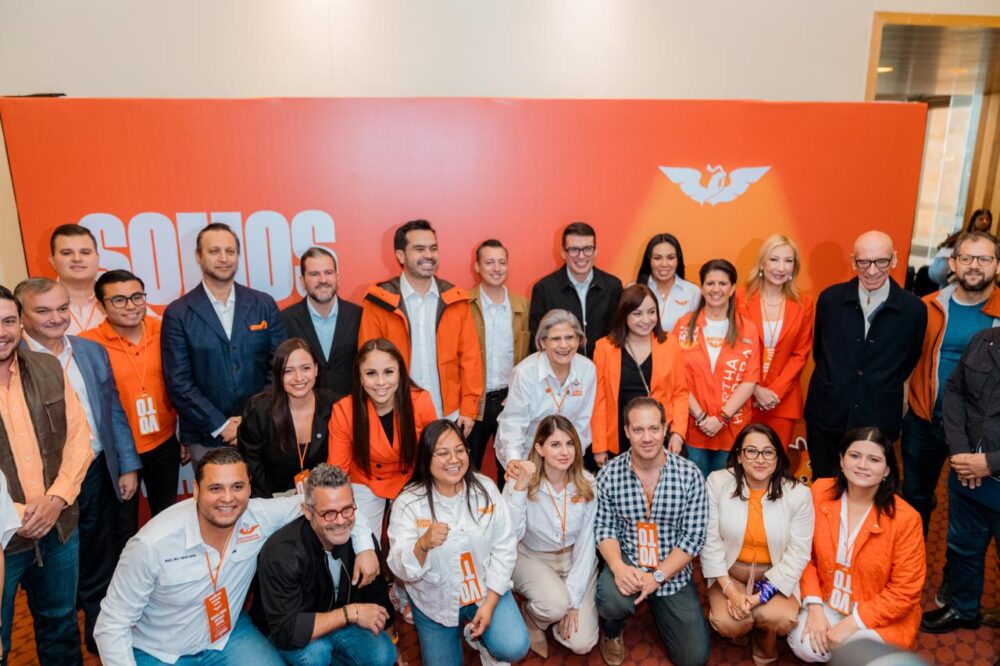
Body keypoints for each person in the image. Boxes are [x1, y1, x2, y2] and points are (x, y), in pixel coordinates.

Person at [94, 448, 379, 665]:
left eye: (237, 487)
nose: (228, 498)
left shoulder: (257, 515)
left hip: (226, 637)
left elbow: (333, 506)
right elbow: (111, 625)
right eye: (215, 488)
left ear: (249, 488)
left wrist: (365, 545)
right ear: (196, 491)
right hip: (160, 651)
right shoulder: (151, 544)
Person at [16, 277, 142, 653]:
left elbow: (112, 411)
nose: (56, 318)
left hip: (97, 470)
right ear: (21, 316)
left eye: (62, 308)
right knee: (54, 572)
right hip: (46, 486)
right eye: (43, 311)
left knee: (100, 554)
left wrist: (127, 465)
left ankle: (98, 631)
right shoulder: (14, 361)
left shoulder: (90, 351)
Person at [0, 285, 93, 665]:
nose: (2, 332)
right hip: (3, 536)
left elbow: (79, 439)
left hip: (58, 526)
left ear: (20, 323)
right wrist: (17, 513)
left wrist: (57, 499)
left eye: (8, 321)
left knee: (61, 625)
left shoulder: (48, 367)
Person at [387, 420, 530, 666]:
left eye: (459, 450)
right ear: (426, 457)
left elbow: (505, 546)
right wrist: (421, 545)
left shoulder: (485, 488)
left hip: (482, 590)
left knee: (514, 646)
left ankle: (482, 640)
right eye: (442, 453)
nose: (453, 459)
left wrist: (490, 605)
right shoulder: (408, 503)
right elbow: (400, 568)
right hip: (435, 602)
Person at [787, 428, 925, 661]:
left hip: (876, 613)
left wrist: (852, 623)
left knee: (856, 655)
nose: (862, 465)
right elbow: (803, 555)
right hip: (828, 600)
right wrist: (815, 607)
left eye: (874, 459)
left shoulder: (906, 518)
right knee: (806, 647)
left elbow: (905, 591)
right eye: (854, 456)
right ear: (842, 460)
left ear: (887, 470)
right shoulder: (820, 491)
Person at [594, 396, 710, 666]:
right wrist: (618, 568)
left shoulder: (690, 475)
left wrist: (657, 576)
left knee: (693, 659)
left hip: (671, 570)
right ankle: (612, 630)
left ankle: (660, 603)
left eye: (654, 429)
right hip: (629, 561)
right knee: (611, 600)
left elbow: (693, 538)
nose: (647, 438)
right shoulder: (608, 475)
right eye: (638, 430)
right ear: (626, 431)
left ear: (665, 429)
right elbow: (604, 528)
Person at [804, 231, 927, 479]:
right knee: (823, 486)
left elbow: (908, 361)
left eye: (881, 261)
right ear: (853, 261)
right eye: (863, 262)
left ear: (894, 259)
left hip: (877, 417)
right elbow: (821, 352)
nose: (872, 271)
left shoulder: (913, 309)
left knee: (867, 490)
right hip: (827, 413)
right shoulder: (830, 299)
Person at [162, 222, 288, 462]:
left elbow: (279, 367)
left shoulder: (263, 304)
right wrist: (222, 426)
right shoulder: (178, 313)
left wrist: (249, 420)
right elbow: (178, 382)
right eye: (214, 251)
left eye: (230, 251)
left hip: (262, 430)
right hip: (207, 436)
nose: (223, 258)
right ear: (198, 256)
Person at [902, 230, 1000, 533]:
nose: (974, 265)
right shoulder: (928, 306)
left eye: (984, 259)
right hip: (924, 421)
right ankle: (912, 558)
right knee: (914, 499)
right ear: (953, 263)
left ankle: (955, 564)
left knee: (971, 509)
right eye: (966, 258)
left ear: (997, 265)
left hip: (979, 432)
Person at [250, 464, 397, 666]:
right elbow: (288, 631)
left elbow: (378, 600)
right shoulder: (282, 552)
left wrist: (393, 642)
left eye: (347, 509)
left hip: (343, 623)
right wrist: (351, 613)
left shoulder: (362, 544)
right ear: (308, 512)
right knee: (315, 655)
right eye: (329, 513)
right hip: (293, 630)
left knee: (384, 654)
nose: (341, 521)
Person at [701, 423, 814, 665]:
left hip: (774, 577)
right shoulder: (717, 482)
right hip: (730, 573)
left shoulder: (798, 494)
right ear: (739, 456)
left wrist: (757, 598)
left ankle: (765, 642)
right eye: (751, 451)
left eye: (768, 452)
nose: (760, 459)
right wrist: (731, 592)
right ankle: (741, 632)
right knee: (728, 622)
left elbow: (799, 553)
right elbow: (710, 542)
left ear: (778, 457)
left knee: (779, 618)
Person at [359, 219, 483, 434]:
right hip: (397, 413)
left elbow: (470, 359)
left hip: (450, 414)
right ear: (400, 255)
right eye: (419, 249)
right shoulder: (379, 301)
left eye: (433, 248)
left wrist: (469, 408)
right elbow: (367, 363)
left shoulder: (456, 299)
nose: (429, 255)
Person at [81, 270, 180, 533]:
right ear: (100, 306)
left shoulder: (165, 330)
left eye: (137, 297)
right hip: (117, 451)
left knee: (167, 519)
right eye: (119, 300)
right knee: (122, 526)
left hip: (164, 442)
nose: (131, 306)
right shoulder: (87, 344)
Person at [920, 325, 1000, 633]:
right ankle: (963, 609)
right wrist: (961, 452)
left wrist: (990, 463)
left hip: (990, 471)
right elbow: (954, 391)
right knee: (963, 547)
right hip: (967, 475)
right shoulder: (983, 340)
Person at [502, 415, 599, 657]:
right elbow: (509, 535)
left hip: (574, 559)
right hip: (531, 556)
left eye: (570, 443)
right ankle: (533, 616)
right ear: (539, 448)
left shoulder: (587, 482)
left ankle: (556, 608)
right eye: (555, 444)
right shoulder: (520, 480)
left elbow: (586, 544)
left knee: (582, 643)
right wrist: (520, 489)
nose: (565, 452)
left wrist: (573, 602)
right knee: (554, 605)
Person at [328, 338, 438, 535]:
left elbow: (434, 454)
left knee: (419, 539)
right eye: (371, 373)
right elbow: (338, 469)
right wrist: (337, 508)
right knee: (362, 539)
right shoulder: (343, 410)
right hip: (365, 479)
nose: (380, 382)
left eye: (388, 372)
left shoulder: (421, 401)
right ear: (360, 376)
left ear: (400, 373)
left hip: (411, 478)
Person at [674, 259, 760, 479]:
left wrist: (722, 418)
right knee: (694, 490)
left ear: (732, 289)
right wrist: (701, 417)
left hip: (732, 430)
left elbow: (750, 380)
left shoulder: (747, 329)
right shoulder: (683, 326)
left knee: (727, 491)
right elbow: (676, 377)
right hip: (693, 429)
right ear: (701, 288)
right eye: (710, 283)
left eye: (722, 283)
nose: (716, 289)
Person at [592, 284, 688, 465]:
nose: (646, 320)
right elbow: (599, 401)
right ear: (624, 315)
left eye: (651, 312)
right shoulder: (604, 347)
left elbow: (680, 393)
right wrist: (599, 446)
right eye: (637, 313)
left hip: (659, 434)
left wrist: (678, 434)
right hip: (620, 436)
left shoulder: (670, 344)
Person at [495, 309, 597, 478]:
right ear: (543, 342)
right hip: (526, 453)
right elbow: (514, 421)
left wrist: (569, 458)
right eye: (556, 339)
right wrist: (515, 460)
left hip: (564, 457)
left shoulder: (587, 370)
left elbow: (582, 422)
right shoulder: (525, 372)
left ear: (579, 339)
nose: (564, 345)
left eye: (570, 337)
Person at [737, 235, 814, 448]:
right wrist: (755, 389)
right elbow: (733, 350)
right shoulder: (740, 298)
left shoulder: (804, 303)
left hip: (782, 402)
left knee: (775, 461)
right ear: (762, 263)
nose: (781, 267)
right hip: (743, 399)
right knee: (741, 459)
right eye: (774, 259)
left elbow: (800, 354)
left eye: (788, 261)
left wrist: (775, 392)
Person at [238, 338, 338, 498]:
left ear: (316, 369)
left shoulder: (334, 405)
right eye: (288, 371)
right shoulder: (259, 410)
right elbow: (252, 467)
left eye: (306, 368)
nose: (299, 378)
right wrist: (271, 507)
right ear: (278, 375)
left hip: (323, 496)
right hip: (272, 498)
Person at [467, 239, 531, 479]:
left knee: (512, 470)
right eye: (489, 262)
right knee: (468, 468)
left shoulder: (523, 306)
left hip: (510, 400)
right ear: (477, 266)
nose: (496, 268)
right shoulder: (463, 304)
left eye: (502, 262)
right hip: (475, 402)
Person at [529, 222, 623, 358]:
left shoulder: (613, 287)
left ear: (595, 251)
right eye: (574, 249)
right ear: (563, 252)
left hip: (603, 368)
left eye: (588, 249)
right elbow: (537, 342)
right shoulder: (544, 289)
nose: (581, 256)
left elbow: (620, 334)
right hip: (561, 369)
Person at [280, 247, 361, 398]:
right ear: (302, 281)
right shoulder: (285, 320)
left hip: (351, 406)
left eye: (328, 273)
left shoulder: (359, 316)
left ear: (337, 277)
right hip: (306, 407)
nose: (323, 280)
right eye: (314, 274)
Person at [635, 233, 700, 334]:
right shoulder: (633, 290)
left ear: (678, 260)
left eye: (670, 258)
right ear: (649, 261)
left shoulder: (693, 292)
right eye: (657, 258)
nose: (664, 264)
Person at [49, 223, 105, 335]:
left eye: (85, 252)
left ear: (97, 258)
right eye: (67, 253)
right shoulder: (37, 305)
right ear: (53, 261)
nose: (77, 259)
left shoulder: (121, 301)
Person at [928, 208, 993, 287]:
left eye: (987, 220)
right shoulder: (975, 237)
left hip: (935, 266)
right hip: (946, 267)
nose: (985, 222)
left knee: (945, 292)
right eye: (981, 219)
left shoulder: (962, 232)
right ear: (973, 221)